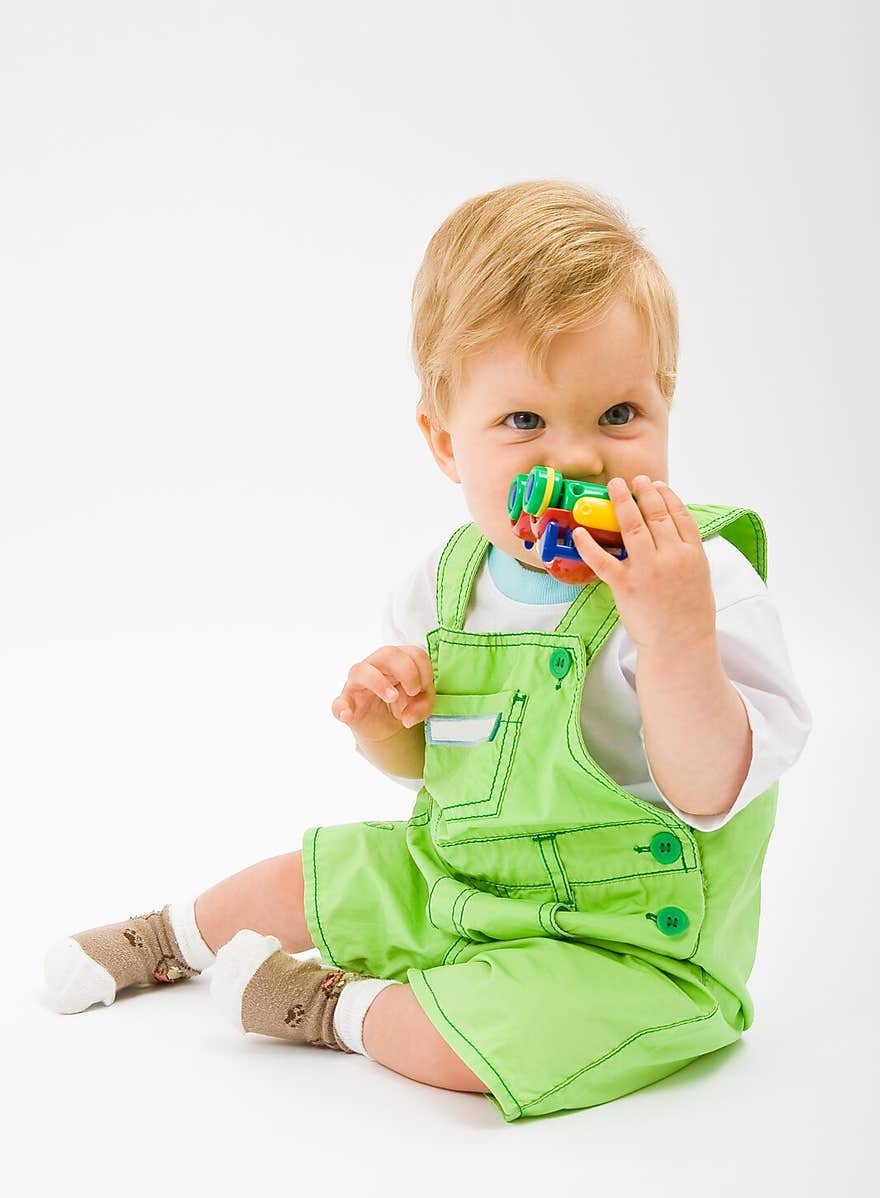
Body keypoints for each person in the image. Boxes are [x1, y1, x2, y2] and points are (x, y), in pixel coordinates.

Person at [43, 179, 812, 1122]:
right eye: (524, 422)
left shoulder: (709, 582)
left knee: (483, 1043)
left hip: (631, 948)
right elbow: (442, 780)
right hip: (465, 880)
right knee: (315, 872)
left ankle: (330, 1006)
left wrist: (676, 634)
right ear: (445, 441)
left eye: (618, 416)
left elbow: (710, 788)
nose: (576, 462)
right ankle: (157, 940)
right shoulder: (446, 585)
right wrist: (386, 726)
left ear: (665, 408)